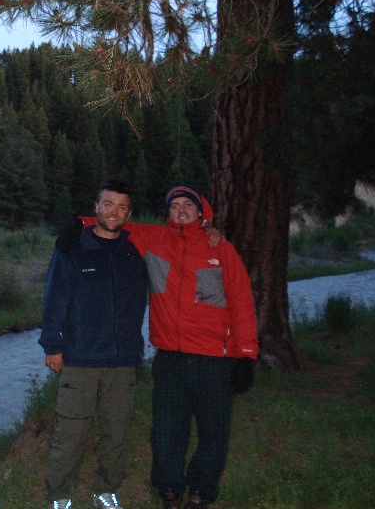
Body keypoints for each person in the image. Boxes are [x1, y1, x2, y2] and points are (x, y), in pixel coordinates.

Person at [73, 184, 258, 509]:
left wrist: (246, 356)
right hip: (170, 358)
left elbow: (242, 303)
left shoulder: (221, 250)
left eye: (189, 204)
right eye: (175, 206)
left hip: (215, 359)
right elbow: (109, 220)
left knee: (214, 433)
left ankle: (201, 493)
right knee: (167, 432)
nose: (182, 210)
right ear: (168, 212)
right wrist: (74, 226)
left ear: (202, 213)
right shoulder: (152, 239)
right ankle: (170, 492)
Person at [40, 180, 149, 509]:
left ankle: (106, 489)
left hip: (123, 361)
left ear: (129, 213)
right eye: (108, 204)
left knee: (116, 431)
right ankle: (59, 495)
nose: (113, 211)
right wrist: (52, 345)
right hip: (80, 359)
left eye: (121, 207)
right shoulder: (72, 248)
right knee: (70, 434)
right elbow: (54, 299)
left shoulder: (135, 252)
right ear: (96, 208)